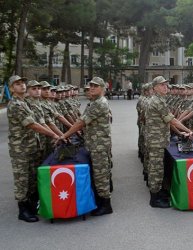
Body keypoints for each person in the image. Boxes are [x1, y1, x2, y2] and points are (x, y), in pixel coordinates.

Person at [7, 75, 60, 222]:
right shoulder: (16, 105)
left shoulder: (24, 103)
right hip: (20, 149)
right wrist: (54, 135)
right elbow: (32, 125)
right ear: (11, 88)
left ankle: (30, 205)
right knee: (22, 179)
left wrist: (54, 134)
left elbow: (40, 122)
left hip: (30, 146)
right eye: (17, 84)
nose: (22, 86)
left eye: (23, 83)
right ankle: (22, 210)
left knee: (30, 178)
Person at [58, 77, 113, 216]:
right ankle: (100, 201)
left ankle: (105, 205)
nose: (92, 88)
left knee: (101, 174)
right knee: (99, 172)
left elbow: (81, 122)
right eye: (91, 86)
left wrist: (65, 135)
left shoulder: (99, 103)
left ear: (102, 88)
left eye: (95, 86)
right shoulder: (94, 102)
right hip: (95, 143)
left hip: (99, 145)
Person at [144, 76, 192, 208]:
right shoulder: (157, 101)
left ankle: (159, 192)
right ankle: (155, 198)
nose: (166, 87)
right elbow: (172, 120)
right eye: (162, 85)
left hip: (158, 139)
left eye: (166, 85)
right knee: (156, 169)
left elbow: (168, 121)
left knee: (158, 167)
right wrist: (189, 130)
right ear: (154, 88)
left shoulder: (160, 100)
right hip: (156, 141)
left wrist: (179, 132)